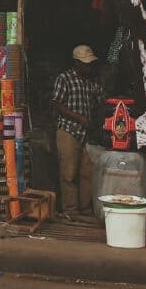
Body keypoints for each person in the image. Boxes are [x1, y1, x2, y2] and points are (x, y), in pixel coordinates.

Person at [53, 45, 103, 221]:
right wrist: (79, 118)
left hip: (86, 133)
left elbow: (99, 103)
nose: (88, 67)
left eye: (90, 64)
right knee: (69, 172)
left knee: (87, 172)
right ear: (76, 63)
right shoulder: (64, 79)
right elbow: (58, 105)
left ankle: (85, 207)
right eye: (85, 64)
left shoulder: (91, 82)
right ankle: (71, 209)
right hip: (68, 130)